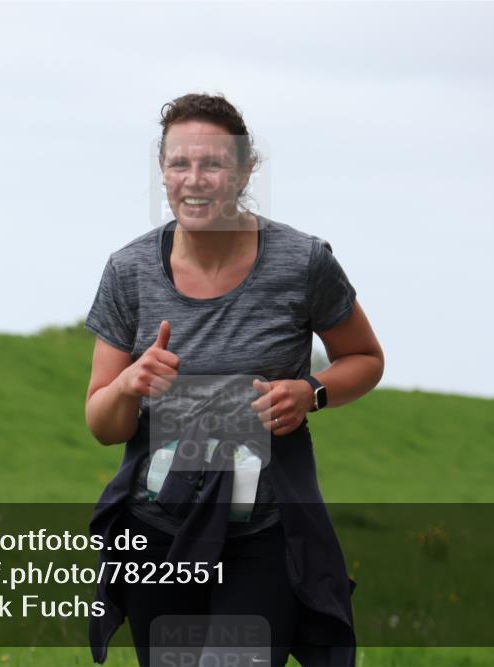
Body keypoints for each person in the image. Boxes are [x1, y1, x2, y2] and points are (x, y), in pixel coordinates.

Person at [84, 92, 384, 667]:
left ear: (245, 170)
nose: (194, 180)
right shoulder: (129, 272)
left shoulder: (302, 262)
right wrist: (128, 385)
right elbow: (101, 423)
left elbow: (365, 358)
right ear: (163, 170)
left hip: (264, 534)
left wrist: (312, 392)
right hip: (156, 530)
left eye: (213, 163)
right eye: (179, 163)